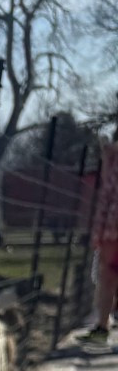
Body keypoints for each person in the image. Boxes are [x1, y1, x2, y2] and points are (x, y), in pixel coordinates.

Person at [79, 134, 118, 343]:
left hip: (112, 227)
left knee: (108, 276)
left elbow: (107, 194)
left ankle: (103, 326)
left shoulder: (112, 157)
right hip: (112, 228)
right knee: (107, 276)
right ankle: (102, 326)